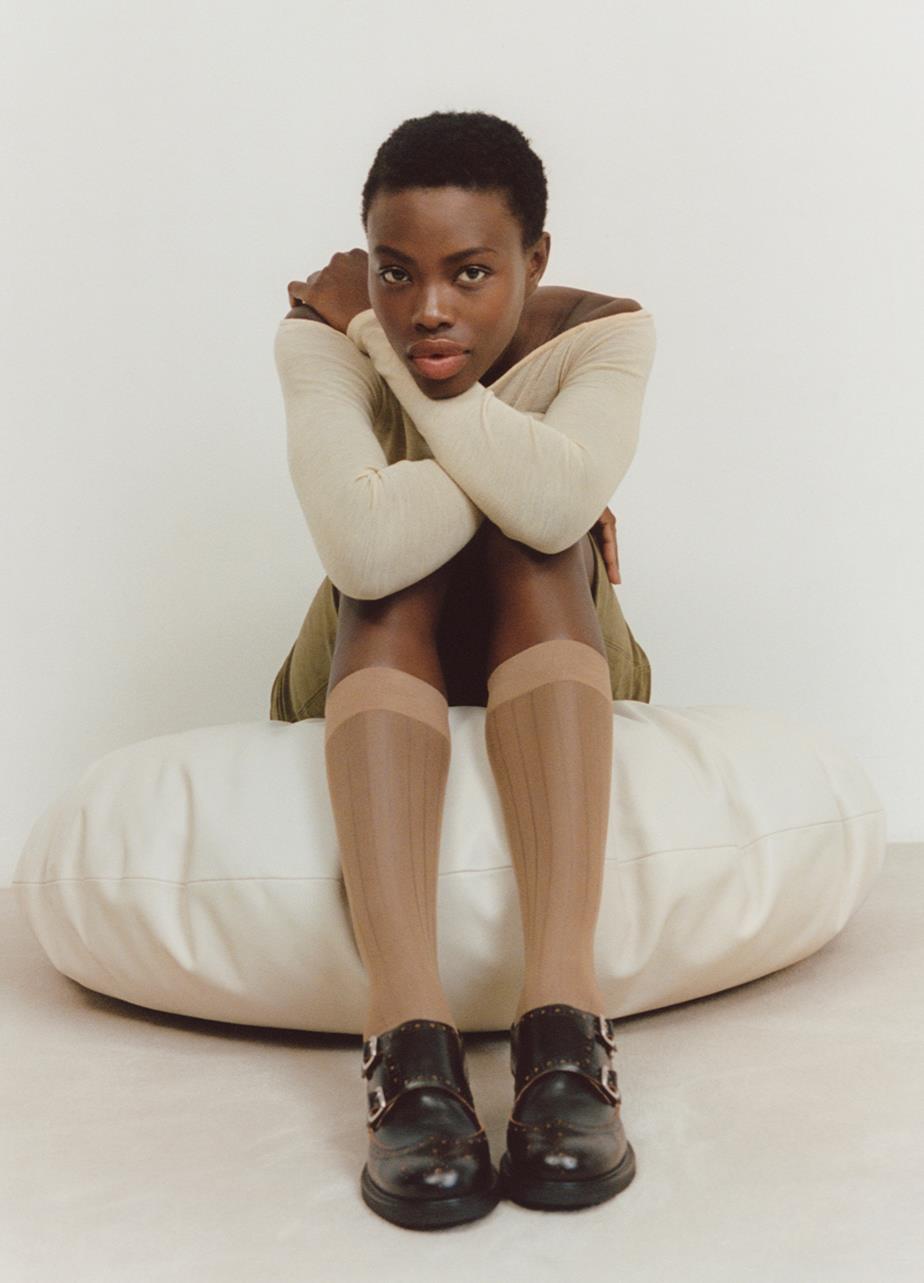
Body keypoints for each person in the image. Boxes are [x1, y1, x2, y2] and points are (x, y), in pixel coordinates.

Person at [270, 109, 657, 1229]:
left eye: (471, 273)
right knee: (409, 566)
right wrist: (536, 485)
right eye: (393, 273)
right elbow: (365, 548)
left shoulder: (607, 333)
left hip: (556, 633)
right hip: (373, 640)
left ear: (535, 258)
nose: (426, 308)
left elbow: (545, 511)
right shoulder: (318, 331)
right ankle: (408, 1043)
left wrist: (395, 369)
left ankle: (564, 1031)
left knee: (540, 547)